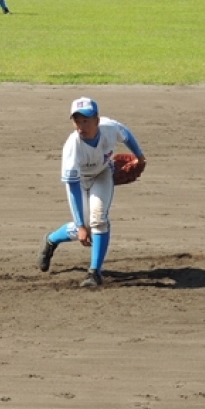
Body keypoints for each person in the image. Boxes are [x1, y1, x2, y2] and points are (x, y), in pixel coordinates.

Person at [37, 97, 147, 287]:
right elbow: (72, 188)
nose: (81, 126)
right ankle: (51, 240)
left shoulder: (109, 128)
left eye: (85, 120)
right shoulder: (72, 146)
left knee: (99, 220)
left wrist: (140, 156)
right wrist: (80, 226)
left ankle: (94, 272)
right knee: (85, 228)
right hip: (79, 182)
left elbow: (126, 135)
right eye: (77, 121)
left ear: (97, 120)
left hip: (102, 174)